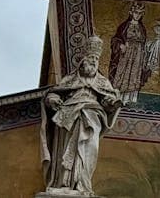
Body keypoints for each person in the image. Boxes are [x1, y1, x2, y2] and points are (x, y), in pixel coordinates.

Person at [40, 35, 122, 195]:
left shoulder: (103, 83)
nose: (92, 62)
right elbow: (54, 94)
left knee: (90, 148)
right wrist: (53, 100)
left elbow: (108, 101)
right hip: (68, 117)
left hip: (92, 116)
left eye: (95, 60)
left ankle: (83, 184)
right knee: (65, 150)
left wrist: (112, 103)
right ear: (81, 62)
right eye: (90, 58)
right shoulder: (70, 79)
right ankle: (64, 183)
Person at [108, 1, 150, 104]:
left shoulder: (142, 28)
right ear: (131, 12)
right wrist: (120, 45)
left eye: (140, 13)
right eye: (136, 12)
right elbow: (116, 38)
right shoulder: (124, 26)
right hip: (126, 54)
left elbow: (144, 41)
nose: (137, 15)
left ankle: (131, 98)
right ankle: (120, 97)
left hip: (138, 55)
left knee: (134, 74)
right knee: (123, 73)